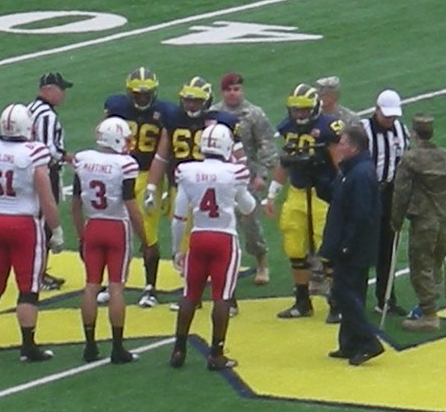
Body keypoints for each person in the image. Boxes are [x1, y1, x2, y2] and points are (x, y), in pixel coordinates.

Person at [0, 103, 64, 361]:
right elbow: (47, 198)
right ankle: (28, 346)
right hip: (24, 224)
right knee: (28, 287)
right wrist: (56, 230)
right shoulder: (33, 153)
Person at [143, 76, 244, 315]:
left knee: (221, 237)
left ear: (207, 101)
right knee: (187, 242)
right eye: (188, 100)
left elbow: (239, 157)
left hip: (214, 185)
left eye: (196, 101)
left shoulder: (221, 122)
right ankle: (193, 294)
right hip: (184, 186)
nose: (191, 105)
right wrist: (150, 187)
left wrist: (239, 187)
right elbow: (161, 156)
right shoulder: (173, 119)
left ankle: (229, 297)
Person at [168, 123, 255, 371]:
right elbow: (248, 207)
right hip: (224, 238)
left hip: (198, 236)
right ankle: (216, 354)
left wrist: (177, 249)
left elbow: (179, 216)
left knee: (190, 294)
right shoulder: (234, 172)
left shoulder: (188, 171)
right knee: (222, 297)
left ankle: (178, 349)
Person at [71, 117, 148, 363]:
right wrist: (146, 239)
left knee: (91, 285)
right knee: (116, 287)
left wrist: (80, 233)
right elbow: (131, 205)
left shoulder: (84, 160)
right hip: (116, 227)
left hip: (92, 224)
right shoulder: (124, 164)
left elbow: (74, 204)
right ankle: (117, 347)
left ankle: (90, 345)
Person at [265, 83, 343, 323]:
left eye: (304, 110)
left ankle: (337, 303)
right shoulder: (289, 128)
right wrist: (272, 193)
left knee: (328, 250)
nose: (299, 114)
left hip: (322, 193)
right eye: (296, 110)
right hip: (298, 192)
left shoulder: (327, 127)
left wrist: (344, 192)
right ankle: (302, 301)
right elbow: (284, 161)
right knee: (295, 247)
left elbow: (339, 162)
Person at [103, 67, 174, 308]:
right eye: (137, 94)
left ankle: (150, 286)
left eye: (146, 94)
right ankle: (112, 281)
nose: (142, 99)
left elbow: (165, 151)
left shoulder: (165, 112)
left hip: (145, 174)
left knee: (147, 231)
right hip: (118, 172)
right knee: (113, 227)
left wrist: (155, 184)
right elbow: (103, 136)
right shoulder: (116, 107)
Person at [319, 125, 384, 366]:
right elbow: (335, 197)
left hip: (354, 247)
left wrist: (345, 245)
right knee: (350, 293)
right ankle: (349, 343)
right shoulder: (353, 170)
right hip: (351, 244)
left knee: (346, 293)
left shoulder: (360, 174)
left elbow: (361, 214)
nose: (339, 147)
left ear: (354, 147)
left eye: (343, 143)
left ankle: (368, 341)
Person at [391, 115, 446, 332]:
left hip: (423, 221)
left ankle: (429, 313)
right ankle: (431, 304)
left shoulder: (410, 159)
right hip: (444, 221)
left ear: (414, 133)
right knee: (436, 263)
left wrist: (396, 220)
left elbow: (401, 193)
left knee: (420, 266)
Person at [210, 72, 277, 285]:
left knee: (250, 224)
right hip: (217, 177)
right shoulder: (213, 113)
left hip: (245, 177)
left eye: (236, 89)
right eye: (228, 89)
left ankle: (262, 262)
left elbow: (266, 145)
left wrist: (262, 175)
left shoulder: (254, 114)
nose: (232, 93)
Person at [360, 89, 410, 316]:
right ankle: (355, 299)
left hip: (390, 193)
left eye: (393, 116)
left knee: (388, 248)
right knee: (362, 248)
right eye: (386, 115)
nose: (390, 120)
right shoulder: (363, 131)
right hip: (367, 194)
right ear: (376, 109)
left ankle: (386, 298)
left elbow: (406, 161)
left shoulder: (401, 130)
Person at [27, 72, 74, 291]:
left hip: (28, 171)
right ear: (48, 90)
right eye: (61, 90)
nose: (64, 94)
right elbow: (47, 149)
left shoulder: (30, 109)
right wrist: (67, 157)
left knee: (37, 219)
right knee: (45, 222)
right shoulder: (46, 114)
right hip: (45, 172)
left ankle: (36, 270)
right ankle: (38, 274)